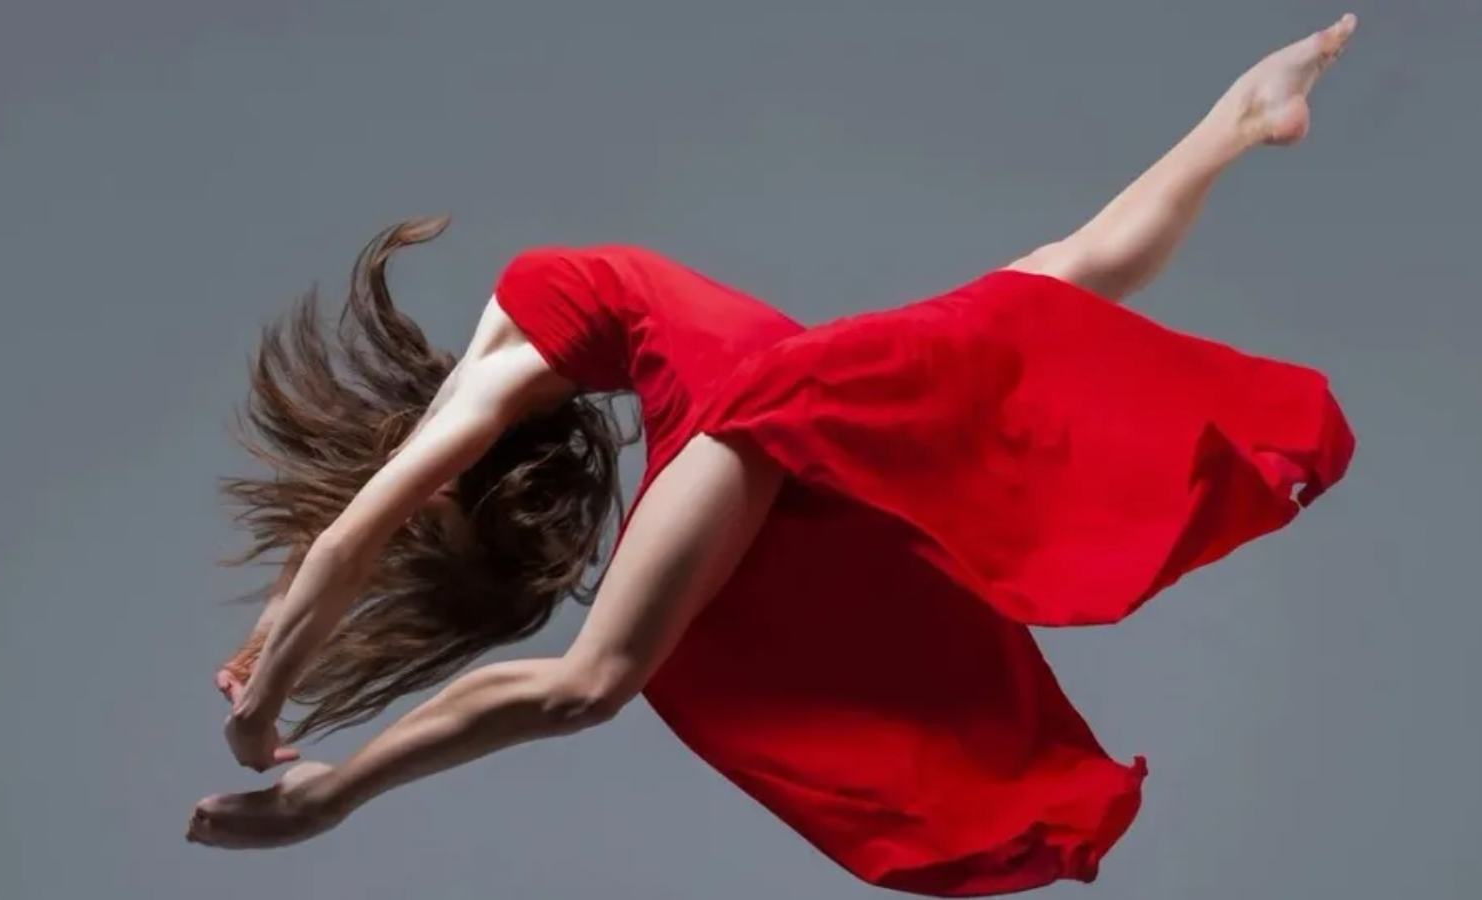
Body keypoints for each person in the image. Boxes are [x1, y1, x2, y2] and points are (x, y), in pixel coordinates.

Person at [186, 15, 1361, 896]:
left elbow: (354, 530)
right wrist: (274, 652)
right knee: (1054, 280)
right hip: (789, 383)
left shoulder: (498, 359)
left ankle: (328, 799)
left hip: (755, 406)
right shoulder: (542, 364)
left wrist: (272, 722)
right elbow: (352, 535)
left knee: (589, 684)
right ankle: (1235, 120)